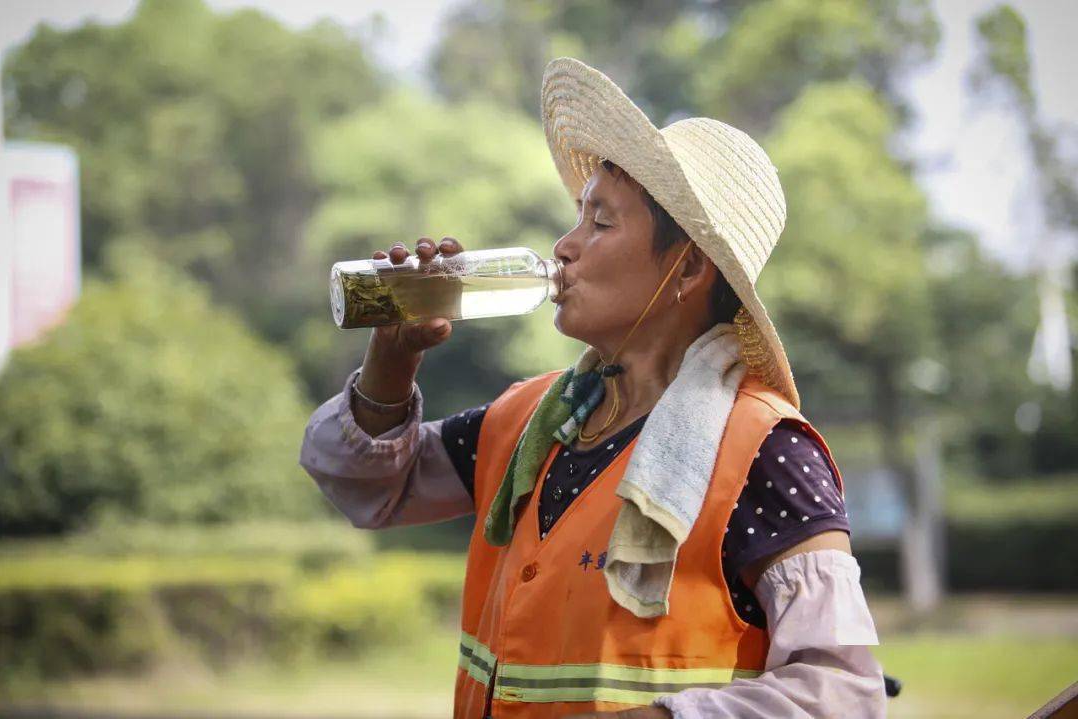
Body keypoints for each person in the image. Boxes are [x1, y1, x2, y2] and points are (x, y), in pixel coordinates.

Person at [300, 57, 885, 718]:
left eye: (600, 224)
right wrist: (392, 357)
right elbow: (366, 488)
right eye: (577, 218)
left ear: (688, 269)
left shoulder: (765, 452)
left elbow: (844, 692)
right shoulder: (529, 423)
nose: (564, 246)